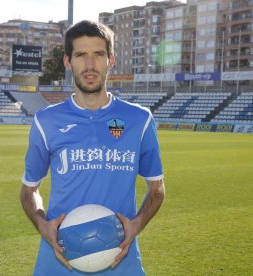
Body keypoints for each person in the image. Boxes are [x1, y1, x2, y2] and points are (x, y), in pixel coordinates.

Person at [20, 20, 165, 275]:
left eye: (98, 55)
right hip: (57, 264)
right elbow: (29, 190)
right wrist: (43, 225)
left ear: (111, 59)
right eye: (80, 55)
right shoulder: (46, 121)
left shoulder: (139, 119)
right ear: (68, 61)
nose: (89, 65)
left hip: (121, 263)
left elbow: (157, 188)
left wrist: (137, 224)